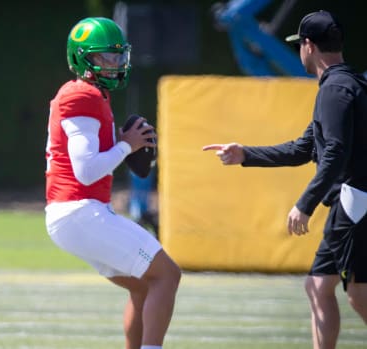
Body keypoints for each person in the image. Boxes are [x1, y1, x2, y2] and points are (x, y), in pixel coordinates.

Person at [203, 10, 367, 349]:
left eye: (299, 46)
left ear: (308, 45)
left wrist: (304, 205)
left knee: (359, 295)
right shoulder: (342, 85)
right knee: (318, 286)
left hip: (355, 204)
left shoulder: (335, 90)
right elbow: (304, 147)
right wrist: (245, 154)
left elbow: (334, 154)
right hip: (348, 205)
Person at [44, 17, 181, 349]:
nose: (114, 64)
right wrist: (126, 146)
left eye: (118, 56)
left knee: (143, 285)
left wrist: (120, 142)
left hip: (77, 212)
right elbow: (87, 171)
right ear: (82, 58)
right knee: (167, 275)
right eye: (104, 57)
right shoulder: (81, 95)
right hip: (79, 210)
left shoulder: (92, 94)